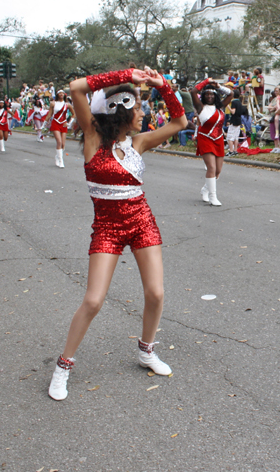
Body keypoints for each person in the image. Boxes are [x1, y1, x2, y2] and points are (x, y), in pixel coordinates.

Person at [48, 67, 187, 401]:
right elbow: (76, 87)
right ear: (119, 110)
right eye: (137, 108)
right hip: (107, 228)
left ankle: (146, 351)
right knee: (93, 300)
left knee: (156, 293)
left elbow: (180, 122)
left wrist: (163, 85)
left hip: (142, 221)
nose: (143, 113)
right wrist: (126, 75)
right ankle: (63, 367)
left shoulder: (139, 142)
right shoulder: (93, 139)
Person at [191, 78, 234, 206]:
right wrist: (206, 81)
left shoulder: (220, 107)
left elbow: (231, 94)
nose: (209, 96)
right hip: (205, 138)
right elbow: (193, 91)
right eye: (207, 94)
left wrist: (218, 86)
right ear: (203, 96)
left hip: (218, 139)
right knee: (211, 167)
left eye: (212, 94)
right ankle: (213, 196)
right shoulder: (200, 107)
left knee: (217, 171)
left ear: (215, 96)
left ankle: (205, 189)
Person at [45, 90, 74, 168]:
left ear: (64, 95)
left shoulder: (67, 104)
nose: (61, 94)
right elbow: (49, 114)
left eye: (62, 93)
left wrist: (69, 123)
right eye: (59, 93)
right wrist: (44, 124)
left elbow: (73, 114)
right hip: (55, 123)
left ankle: (57, 156)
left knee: (63, 144)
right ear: (57, 95)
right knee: (59, 141)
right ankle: (61, 161)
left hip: (64, 124)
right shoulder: (53, 103)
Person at [227, 89, 245, 156]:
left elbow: (233, 112)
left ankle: (231, 151)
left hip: (233, 121)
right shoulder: (239, 102)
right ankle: (235, 150)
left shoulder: (234, 102)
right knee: (236, 136)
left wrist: (228, 106)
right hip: (238, 120)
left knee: (230, 136)